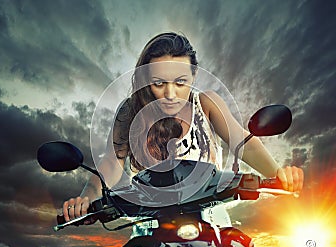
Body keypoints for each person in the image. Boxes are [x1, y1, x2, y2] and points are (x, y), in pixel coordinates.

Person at [62, 32, 304, 226]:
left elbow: (241, 141)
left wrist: (280, 175)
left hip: (210, 220)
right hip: (151, 223)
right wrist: (85, 199)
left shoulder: (206, 103)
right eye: (158, 83)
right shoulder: (130, 111)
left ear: (194, 75)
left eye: (180, 83)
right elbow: (112, 163)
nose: (170, 94)